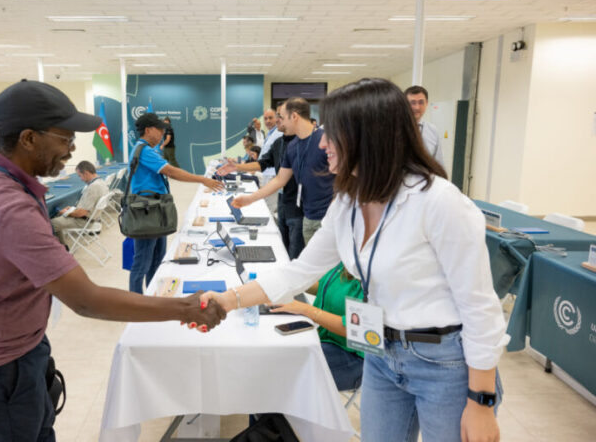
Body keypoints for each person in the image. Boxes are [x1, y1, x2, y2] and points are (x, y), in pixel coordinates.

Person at [202, 78, 507, 442]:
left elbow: (480, 309)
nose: (324, 143)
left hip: (444, 363)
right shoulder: (347, 202)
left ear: (370, 136)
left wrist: (481, 401)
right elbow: (300, 271)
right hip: (380, 351)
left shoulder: (440, 203)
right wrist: (227, 300)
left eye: (334, 134)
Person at [0, 80, 226, 442]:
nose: (72, 149)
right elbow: (86, 300)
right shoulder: (7, 206)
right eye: (64, 138)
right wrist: (185, 308)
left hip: (6, 345)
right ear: (28, 138)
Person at [128, 112, 224, 294]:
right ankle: (136, 302)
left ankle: (152, 295)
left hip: (156, 209)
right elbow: (172, 172)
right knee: (142, 262)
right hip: (147, 211)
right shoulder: (145, 150)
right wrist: (202, 180)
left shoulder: (147, 149)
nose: (162, 134)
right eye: (159, 130)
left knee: (156, 259)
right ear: (148, 130)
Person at [231, 97, 335, 244]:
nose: (281, 121)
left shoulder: (325, 141)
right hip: (308, 217)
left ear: (294, 116)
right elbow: (280, 180)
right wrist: (249, 199)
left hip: (329, 219)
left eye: (282, 117)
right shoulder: (292, 147)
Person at [217, 103, 305, 259]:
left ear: (293, 117)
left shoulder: (302, 144)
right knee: (283, 248)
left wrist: (250, 198)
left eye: (279, 116)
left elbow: (280, 179)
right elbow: (262, 163)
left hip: (299, 207)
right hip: (283, 200)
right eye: (275, 116)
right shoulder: (280, 143)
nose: (276, 120)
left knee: (295, 254)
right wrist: (236, 167)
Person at [271, 263, 364, 391]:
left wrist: (307, 310)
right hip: (327, 340)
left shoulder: (371, 275)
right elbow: (325, 287)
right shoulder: (346, 261)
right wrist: (290, 283)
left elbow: (355, 329)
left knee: (283, 375)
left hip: (356, 358)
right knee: (275, 357)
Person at [50, 160, 108, 244]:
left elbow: (81, 213)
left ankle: (62, 249)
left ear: (86, 173)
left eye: (80, 176)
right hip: (92, 218)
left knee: (51, 223)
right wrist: (72, 209)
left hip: (82, 221)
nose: (81, 179)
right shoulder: (102, 183)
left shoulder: (93, 187)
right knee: (57, 218)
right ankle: (62, 247)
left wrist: (66, 213)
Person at [405, 85, 445, 171]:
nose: (417, 107)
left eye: (421, 102)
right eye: (412, 103)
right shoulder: (395, 129)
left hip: (426, 181)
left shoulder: (432, 131)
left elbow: (438, 162)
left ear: (426, 103)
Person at [257, 108, 282, 214]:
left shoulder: (279, 133)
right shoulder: (270, 133)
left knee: (270, 209)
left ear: (276, 118)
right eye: (265, 118)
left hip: (273, 175)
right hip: (267, 174)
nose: (267, 121)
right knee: (267, 206)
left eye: (270, 118)